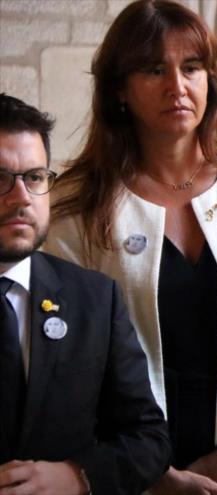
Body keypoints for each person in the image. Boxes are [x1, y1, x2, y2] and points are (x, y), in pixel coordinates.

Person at [42, 1, 217, 493]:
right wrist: (150, 473)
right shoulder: (76, 208)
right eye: (154, 69)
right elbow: (66, 371)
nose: (177, 87)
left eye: (192, 68)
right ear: (119, 88)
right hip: (128, 475)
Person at [0, 93, 170, 494]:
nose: (22, 197)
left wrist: (79, 476)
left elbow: (149, 439)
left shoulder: (94, 299)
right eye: (0, 179)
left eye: (35, 177)